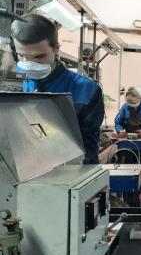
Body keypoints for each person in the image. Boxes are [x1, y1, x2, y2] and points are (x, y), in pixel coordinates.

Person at [12, 13, 104, 164]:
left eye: (39, 57)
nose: (28, 63)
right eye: (21, 55)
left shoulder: (86, 90)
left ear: (56, 48)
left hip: (70, 170)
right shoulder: (11, 84)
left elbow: (87, 147)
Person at [114, 87, 141, 206]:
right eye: (131, 105)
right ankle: (130, 197)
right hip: (130, 142)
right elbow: (118, 121)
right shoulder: (125, 108)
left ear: (139, 98)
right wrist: (119, 130)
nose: (133, 107)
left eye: (134, 104)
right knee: (129, 169)